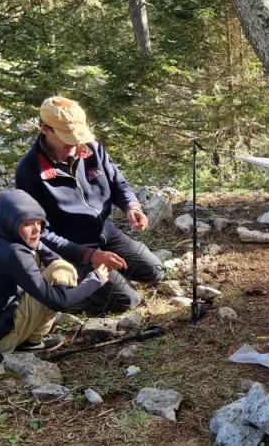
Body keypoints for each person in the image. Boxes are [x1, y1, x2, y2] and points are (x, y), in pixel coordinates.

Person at [15, 96, 164, 312]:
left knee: (156, 271)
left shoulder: (91, 149)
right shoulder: (29, 171)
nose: (75, 146)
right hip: (71, 249)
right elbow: (41, 233)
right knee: (126, 300)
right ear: (45, 129)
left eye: (77, 137)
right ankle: (71, 283)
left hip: (107, 235)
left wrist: (132, 207)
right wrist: (90, 256)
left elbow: (119, 185)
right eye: (67, 138)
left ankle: (107, 275)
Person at [0, 190, 107, 353]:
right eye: (27, 224)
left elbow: (40, 247)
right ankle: (32, 341)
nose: (36, 230)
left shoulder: (0, 238)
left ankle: (25, 327)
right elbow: (59, 300)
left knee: (53, 263)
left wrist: (55, 260)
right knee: (64, 271)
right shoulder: (14, 254)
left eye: (39, 222)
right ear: (10, 223)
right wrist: (96, 280)